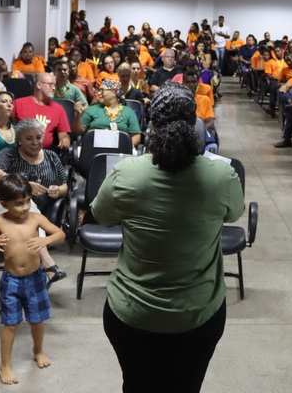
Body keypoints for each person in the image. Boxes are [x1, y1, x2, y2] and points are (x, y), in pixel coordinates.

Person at [91, 83, 245, 393]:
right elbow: (233, 215)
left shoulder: (126, 173)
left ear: (151, 123)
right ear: (194, 123)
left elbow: (101, 216)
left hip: (132, 312)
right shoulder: (221, 176)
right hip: (198, 313)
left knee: (137, 386)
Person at [0, 174, 65, 385]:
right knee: (11, 324)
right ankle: (5, 365)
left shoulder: (36, 218)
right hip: (10, 281)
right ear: (4, 203)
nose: (25, 207)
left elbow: (60, 234)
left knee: (37, 320)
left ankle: (38, 351)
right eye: (19, 203)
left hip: (35, 279)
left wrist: (45, 240)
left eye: (28, 201)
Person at [0, 119, 67, 286]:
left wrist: (58, 190)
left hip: (30, 207)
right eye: (29, 138)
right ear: (19, 139)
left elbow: (65, 186)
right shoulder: (9, 154)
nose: (35, 142)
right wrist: (25, 185)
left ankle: (29, 274)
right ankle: (48, 265)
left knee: (32, 214)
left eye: (38, 137)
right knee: (31, 215)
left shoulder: (52, 156)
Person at [12, 73, 71, 151]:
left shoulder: (58, 109)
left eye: (54, 85)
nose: (53, 88)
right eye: (50, 84)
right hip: (19, 151)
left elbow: (63, 134)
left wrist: (65, 139)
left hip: (45, 153)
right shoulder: (18, 104)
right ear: (39, 85)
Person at [76, 78, 142, 147]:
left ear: (114, 93)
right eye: (98, 90)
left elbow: (136, 136)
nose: (99, 93)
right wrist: (78, 115)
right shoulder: (92, 109)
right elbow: (77, 132)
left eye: (102, 90)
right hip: (93, 149)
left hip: (119, 150)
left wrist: (126, 147)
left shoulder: (128, 112)